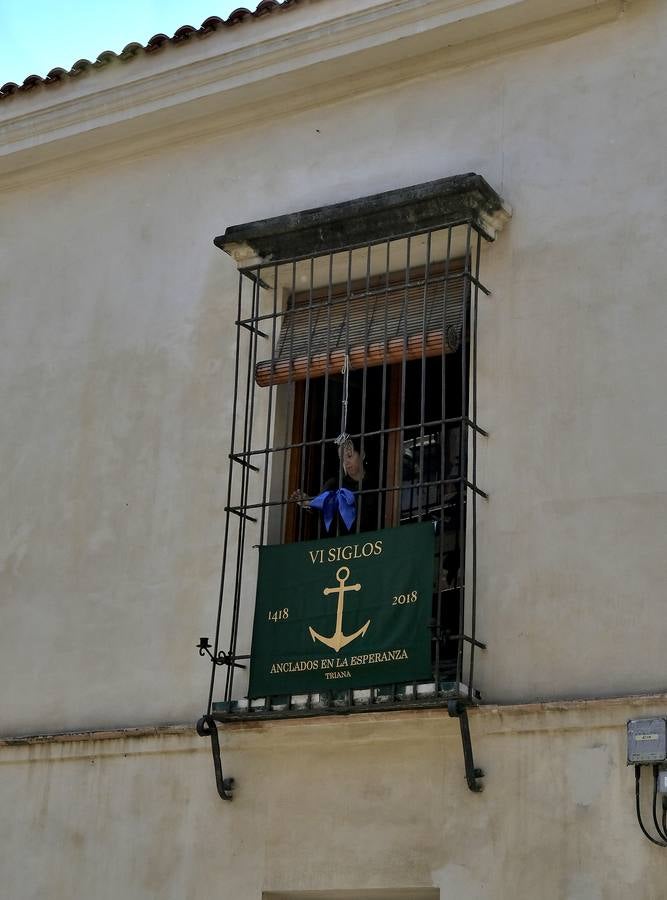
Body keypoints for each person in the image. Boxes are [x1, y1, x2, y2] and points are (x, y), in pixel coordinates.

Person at [289, 437, 378, 533]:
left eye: (349, 456)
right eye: (342, 459)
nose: (346, 462)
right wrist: (308, 503)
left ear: (362, 454)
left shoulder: (377, 481)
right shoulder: (334, 484)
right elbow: (321, 507)